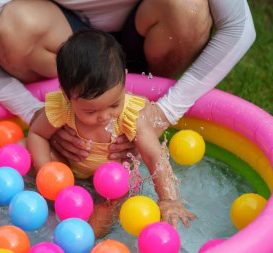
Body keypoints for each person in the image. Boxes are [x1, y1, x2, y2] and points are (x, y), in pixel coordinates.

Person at [0, 0, 255, 163]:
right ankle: (77, 101)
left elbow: (239, 27)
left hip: (148, 32)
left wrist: (165, 111)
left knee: (188, 6)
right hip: (69, 47)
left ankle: (149, 86)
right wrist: (33, 111)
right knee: (14, 29)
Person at [27, 28, 195, 238]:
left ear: (124, 79)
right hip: (70, 170)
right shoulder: (62, 108)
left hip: (112, 183)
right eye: (90, 111)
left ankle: (86, 239)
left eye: (114, 104)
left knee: (113, 204)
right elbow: (37, 134)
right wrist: (47, 172)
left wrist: (168, 199)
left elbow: (155, 156)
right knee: (33, 163)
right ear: (66, 95)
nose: (105, 117)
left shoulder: (131, 115)